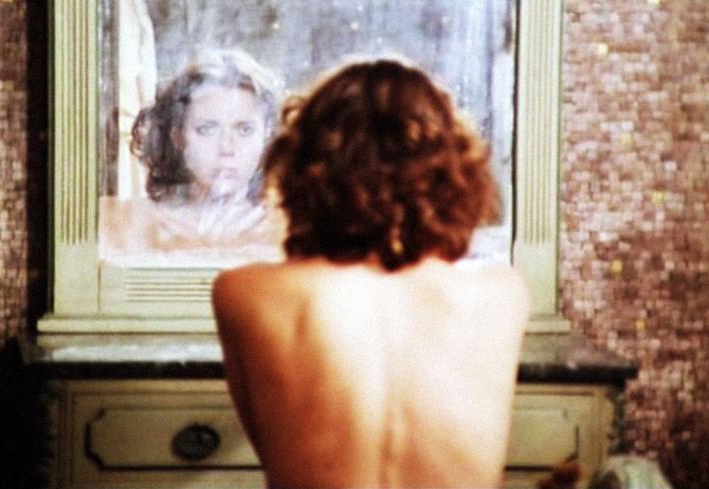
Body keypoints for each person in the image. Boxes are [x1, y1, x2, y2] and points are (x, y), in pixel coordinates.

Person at [212, 59, 529, 488]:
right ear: (450, 172)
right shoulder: (503, 293)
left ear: (303, 170)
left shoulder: (244, 292)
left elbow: (274, 445)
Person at [99, 49, 284, 265]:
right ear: (177, 136)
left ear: (267, 135)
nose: (227, 148)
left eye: (244, 130)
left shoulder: (288, 229)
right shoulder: (124, 224)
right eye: (207, 129)